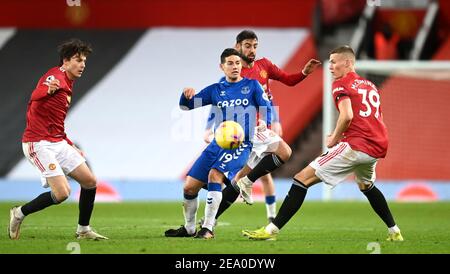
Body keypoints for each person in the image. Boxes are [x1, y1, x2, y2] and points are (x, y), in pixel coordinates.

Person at [243, 45, 403, 242]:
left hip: (355, 145)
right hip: (377, 147)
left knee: (301, 179)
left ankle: (271, 230)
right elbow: (378, 117)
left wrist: (334, 138)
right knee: (366, 185)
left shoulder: (340, 83)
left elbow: (347, 116)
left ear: (348, 62)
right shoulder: (370, 85)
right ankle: (394, 231)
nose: (330, 67)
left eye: (334, 62)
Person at [205, 30, 321, 224]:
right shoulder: (234, 72)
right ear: (238, 46)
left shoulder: (264, 65)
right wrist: (215, 127)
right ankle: (247, 186)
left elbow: (287, 80)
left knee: (238, 180)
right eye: (248, 46)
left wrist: (303, 73)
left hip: (259, 128)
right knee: (284, 152)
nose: (252, 50)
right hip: (244, 129)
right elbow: (219, 100)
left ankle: (210, 220)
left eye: (255, 46)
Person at [164, 48, 272, 239]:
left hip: (241, 144)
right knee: (189, 187)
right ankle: (189, 228)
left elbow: (266, 107)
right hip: (217, 144)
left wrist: (264, 121)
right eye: (230, 63)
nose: (235, 67)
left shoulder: (253, 85)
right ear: (222, 67)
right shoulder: (216, 90)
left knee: (215, 175)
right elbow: (186, 106)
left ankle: (208, 228)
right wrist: (186, 95)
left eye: (238, 63)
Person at [8, 39, 108, 240]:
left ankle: (83, 230)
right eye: (78, 60)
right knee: (62, 194)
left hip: (57, 141)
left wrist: (69, 145)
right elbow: (35, 95)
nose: (82, 65)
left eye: (85, 61)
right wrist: (48, 89)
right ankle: (19, 213)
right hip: (37, 143)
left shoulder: (67, 83)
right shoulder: (55, 77)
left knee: (89, 181)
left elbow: (55, 123)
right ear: (65, 61)